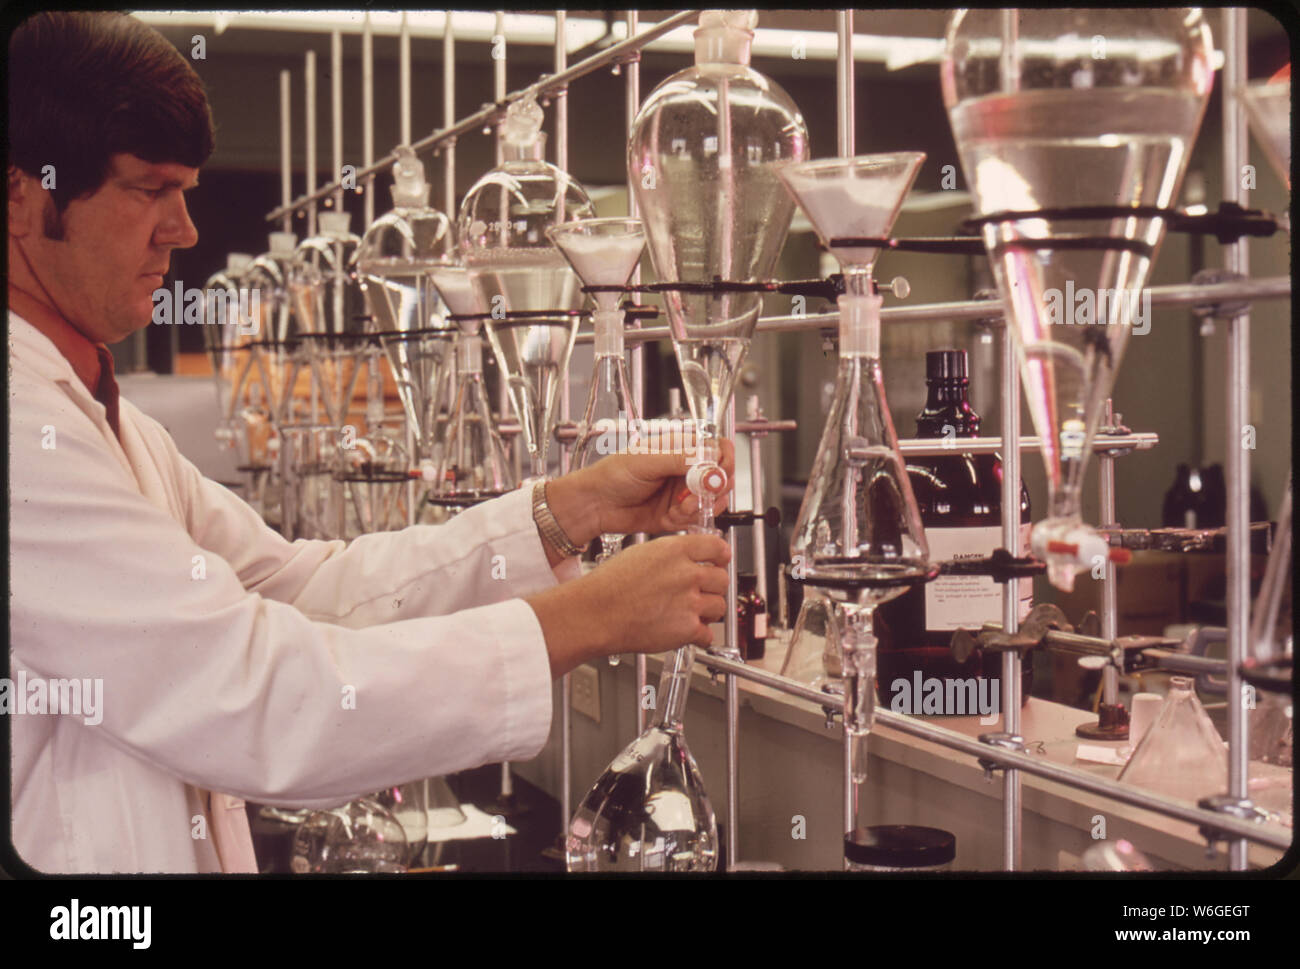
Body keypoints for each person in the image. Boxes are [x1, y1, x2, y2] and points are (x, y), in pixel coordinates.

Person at [6, 11, 733, 873]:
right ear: (23, 196)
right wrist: (589, 617)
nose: (185, 228)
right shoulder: (22, 434)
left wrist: (564, 512)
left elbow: (305, 592)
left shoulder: (108, 418)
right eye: (147, 189)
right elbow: (257, 696)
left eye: (187, 190)